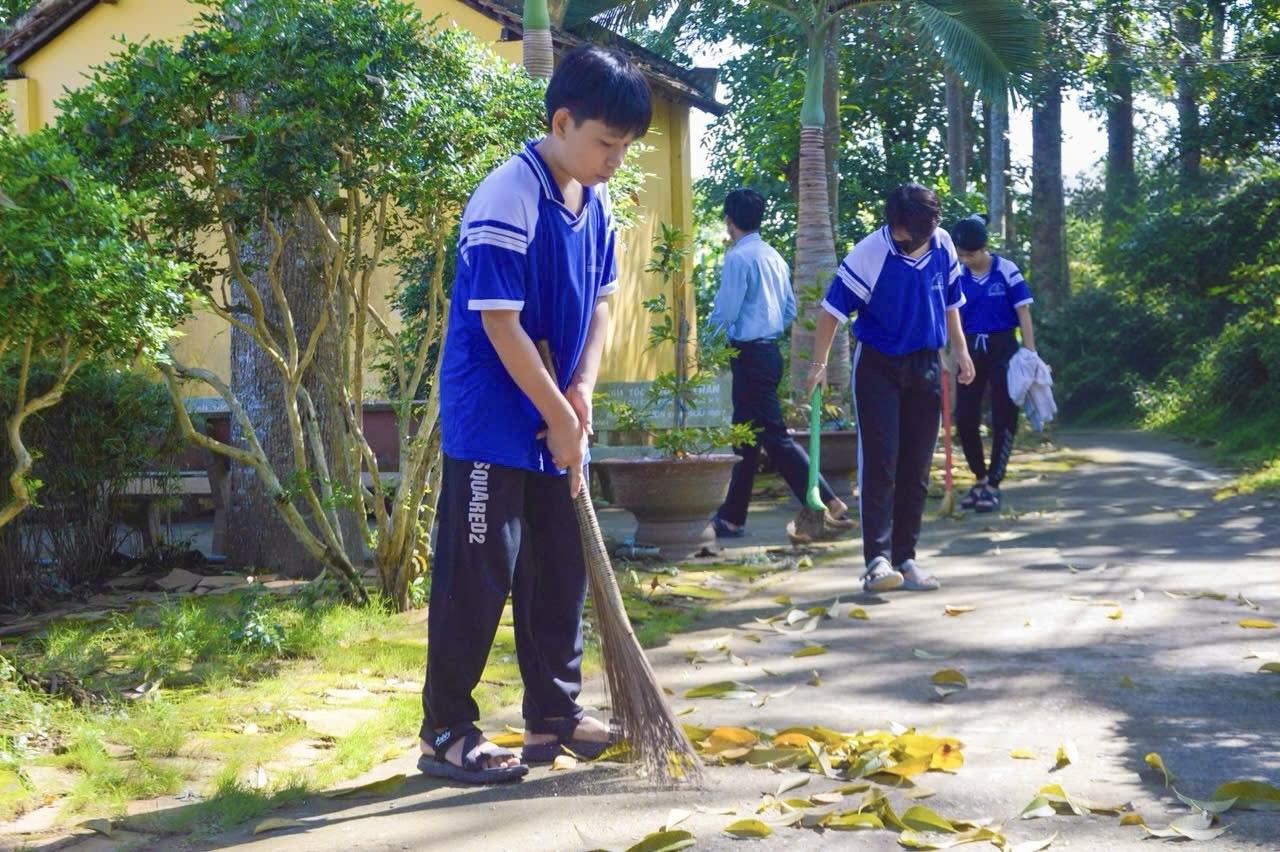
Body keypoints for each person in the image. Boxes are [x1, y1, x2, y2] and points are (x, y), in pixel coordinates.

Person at [418, 45, 651, 785]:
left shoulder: (595, 202)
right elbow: (500, 323)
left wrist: (581, 391)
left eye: (624, 147)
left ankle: (553, 714)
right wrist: (558, 412)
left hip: (556, 412)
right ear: (561, 121)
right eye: (606, 143)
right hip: (493, 418)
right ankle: (446, 729)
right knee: (479, 572)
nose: (614, 160)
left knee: (558, 567)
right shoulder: (507, 195)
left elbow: (603, 303)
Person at [807, 184, 975, 593]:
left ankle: (906, 558)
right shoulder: (870, 252)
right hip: (878, 366)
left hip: (926, 365)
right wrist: (819, 365)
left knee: (916, 468)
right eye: (900, 232)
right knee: (881, 464)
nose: (906, 239)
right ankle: (877, 562)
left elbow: (951, 303)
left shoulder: (943, 244)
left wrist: (961, 352)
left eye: (914, 233)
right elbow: (831, 311)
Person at [707, 188, 854, 538]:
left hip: (749, 354)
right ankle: (732, 518)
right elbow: (789, 310)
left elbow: (727, 311)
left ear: (729, 220)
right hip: (769, 353)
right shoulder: (774, 256)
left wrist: (706, 347)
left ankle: (828, 500)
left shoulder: (738, 258)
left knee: (773, 437)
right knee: (746, 439)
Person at [951, 214, 1037, 513]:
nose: (966, 260)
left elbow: (1023, 312)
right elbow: (951, 316)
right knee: (964, 417)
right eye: (961, 255)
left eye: (970, 254)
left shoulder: (1006, 270)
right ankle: (980, 477)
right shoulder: (957, 275)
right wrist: (949, 356)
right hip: (969, 350)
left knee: (1003, 416)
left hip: (1004, 349)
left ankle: (994, 484)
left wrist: (1030, 353)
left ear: (984, 247)